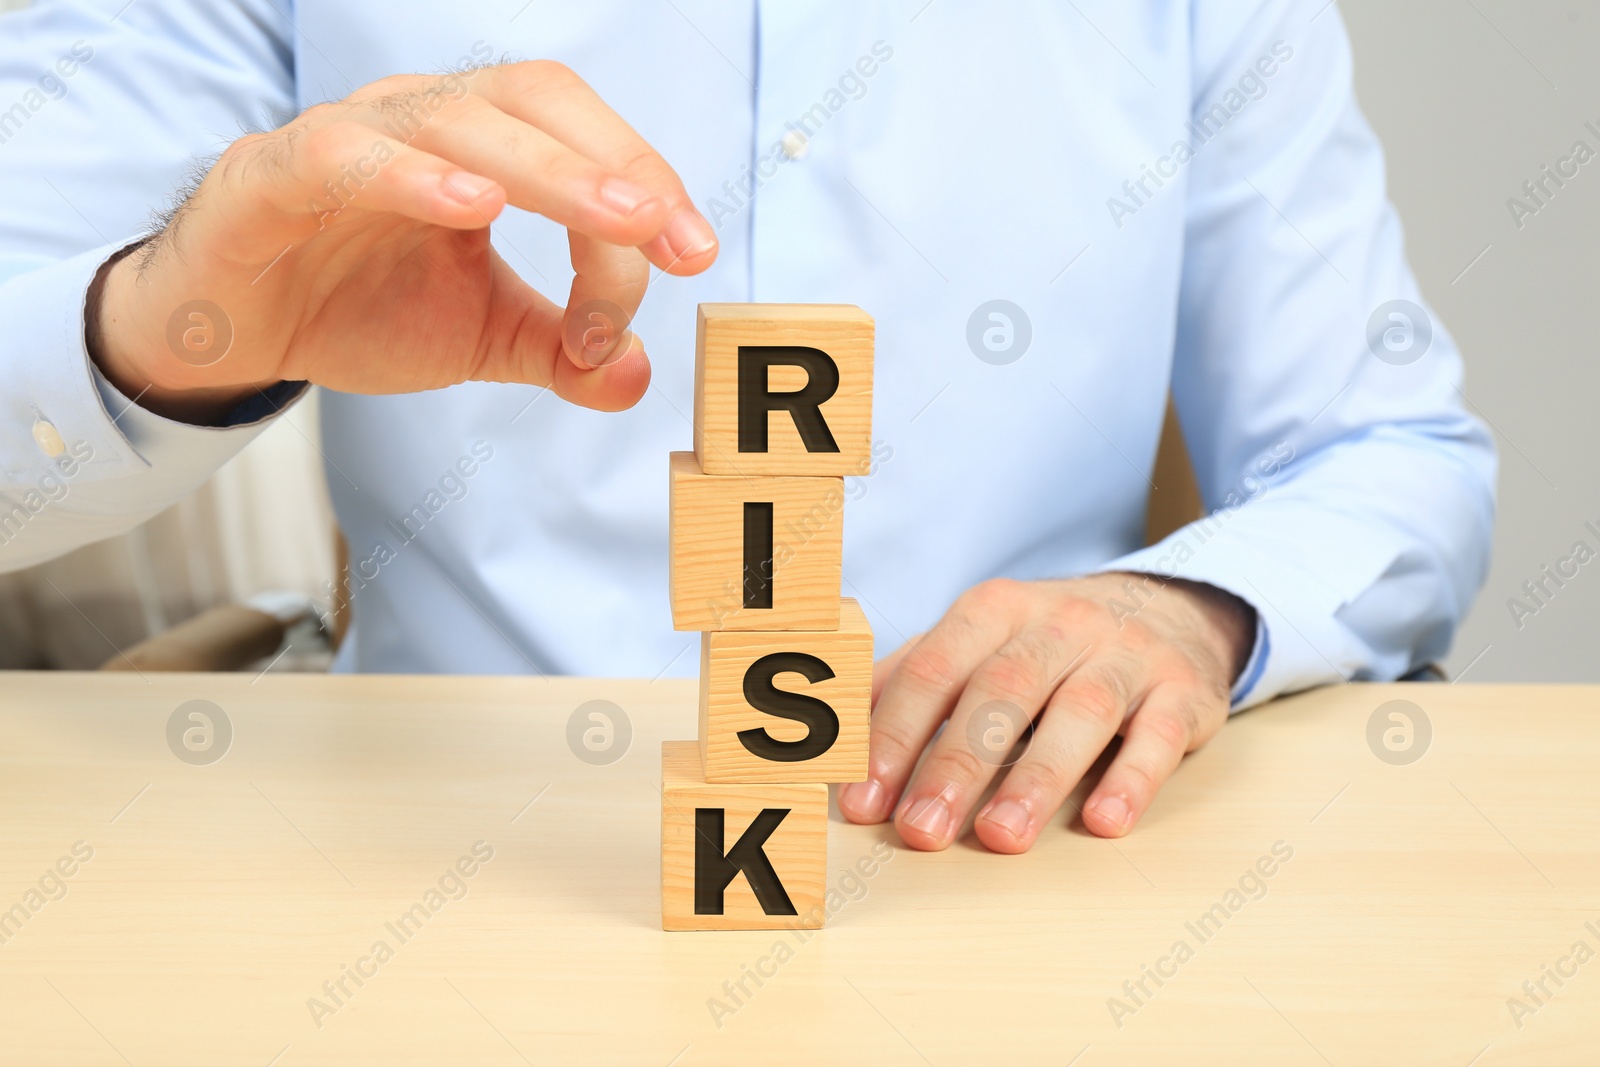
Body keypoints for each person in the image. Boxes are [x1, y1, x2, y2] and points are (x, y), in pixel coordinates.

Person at [0, 1, 1495, 855]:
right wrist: (167, 324)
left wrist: (1182, 610)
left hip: (1010, 880)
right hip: (430, 869)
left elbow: (1391, 457)